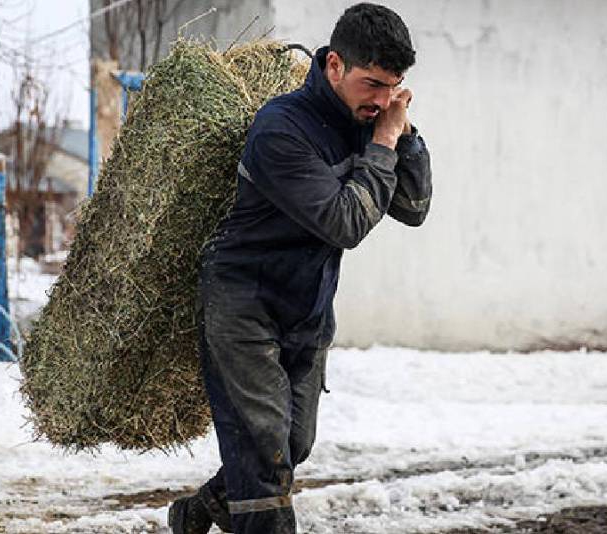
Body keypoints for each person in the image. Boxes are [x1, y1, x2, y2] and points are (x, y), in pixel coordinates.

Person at [169, 3, 431, 533]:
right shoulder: (282, 128)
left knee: (293, 443)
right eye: (372, 84)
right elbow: (344, 223)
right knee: (264, 449)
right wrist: (384, 142)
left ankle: (200, 512)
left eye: (393, 88)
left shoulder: (370, 121)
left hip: (307, 305)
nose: (382, 100)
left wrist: (405, 137)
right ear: (334, 65)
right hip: (243, 302)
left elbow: (413, 207)